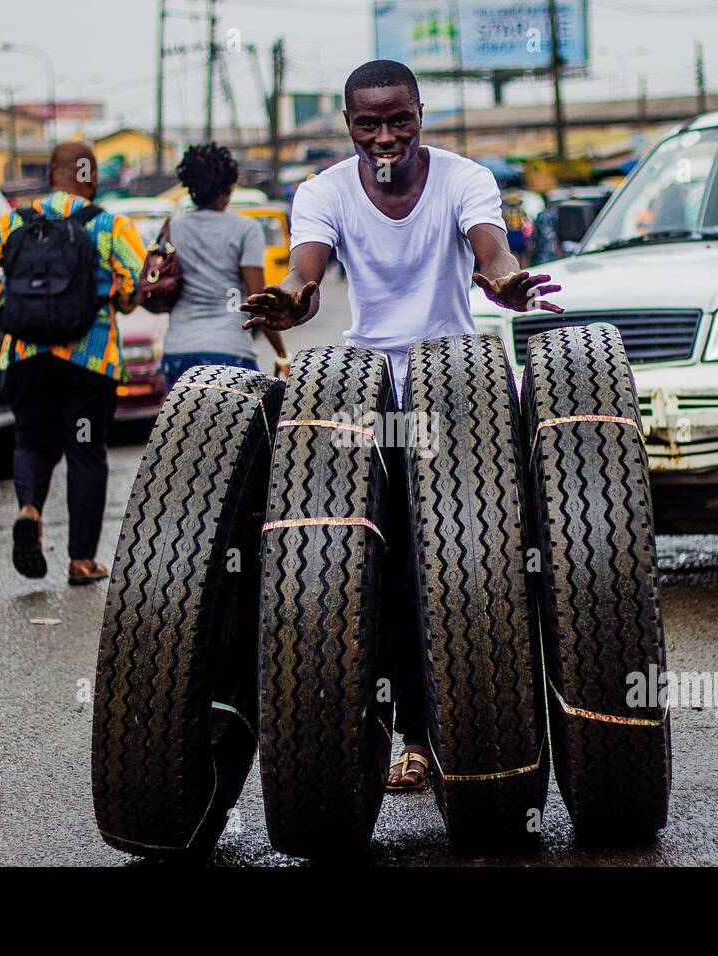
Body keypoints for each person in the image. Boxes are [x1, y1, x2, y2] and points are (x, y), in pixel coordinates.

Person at [240, 59, 561, 793]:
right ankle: (390, 740)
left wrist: (503, 281)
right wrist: (290, 300)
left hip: (459, 390)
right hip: (366, 394)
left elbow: (492, 252)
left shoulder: (463, 178)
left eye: (399, 120)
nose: (385, 137)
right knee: (369, 569)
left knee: (456, 569)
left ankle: (455, 733)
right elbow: (305, 272)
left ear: (420, 114)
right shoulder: (322, 192)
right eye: (368, 123)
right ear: (349, 125)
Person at [0, 142, 146, 586]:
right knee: (86, 452)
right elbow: (135, 281)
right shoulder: (111, 224)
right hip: (89, 358)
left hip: (26, 354)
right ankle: (81, 560)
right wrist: (116, 297)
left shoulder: (15, 221)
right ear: (91, 178)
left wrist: (6, 299)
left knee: (31, 440)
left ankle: (29, 510)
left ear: (49, 175)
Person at [161, 142, 288, 385]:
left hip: (178, 353)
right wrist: (281, 353)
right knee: (247, 423)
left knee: (184, 424)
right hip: (230, 352)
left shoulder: (171, 227)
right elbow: (257, 300)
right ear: (229, 187)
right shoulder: (245, 229)